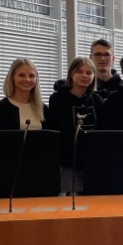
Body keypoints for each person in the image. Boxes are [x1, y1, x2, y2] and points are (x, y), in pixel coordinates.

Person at [46, 57, 102, 192]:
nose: (84, 75)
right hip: (69, 163)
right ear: (71, 74)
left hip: (93, 162)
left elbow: (101, 130)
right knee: (72, 199)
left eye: (89, 72)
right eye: (79, 72)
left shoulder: (97, 99)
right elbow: (61, 131)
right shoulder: (57, 99)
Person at [0, 57, 46, 130]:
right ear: (12, 77)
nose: (27, 79)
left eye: (31, 76)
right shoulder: (1, 107)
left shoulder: (43, 108)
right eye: (21, 75)